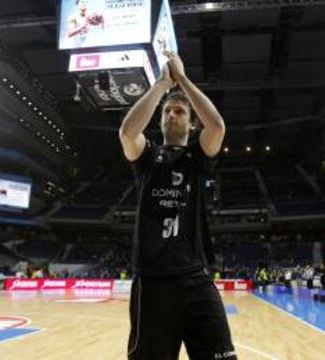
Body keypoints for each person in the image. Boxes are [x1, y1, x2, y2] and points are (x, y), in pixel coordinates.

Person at [119, 51, 237, 360]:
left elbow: (218, 126)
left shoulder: (197, 158)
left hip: (196, 278)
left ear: (190, 123)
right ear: (160, 120)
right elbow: (128, 133)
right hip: (153, 282)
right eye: (167, 112)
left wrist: (182, 80)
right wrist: (161, 84)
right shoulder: (147, 158)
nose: (172, 115)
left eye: (179, 112)